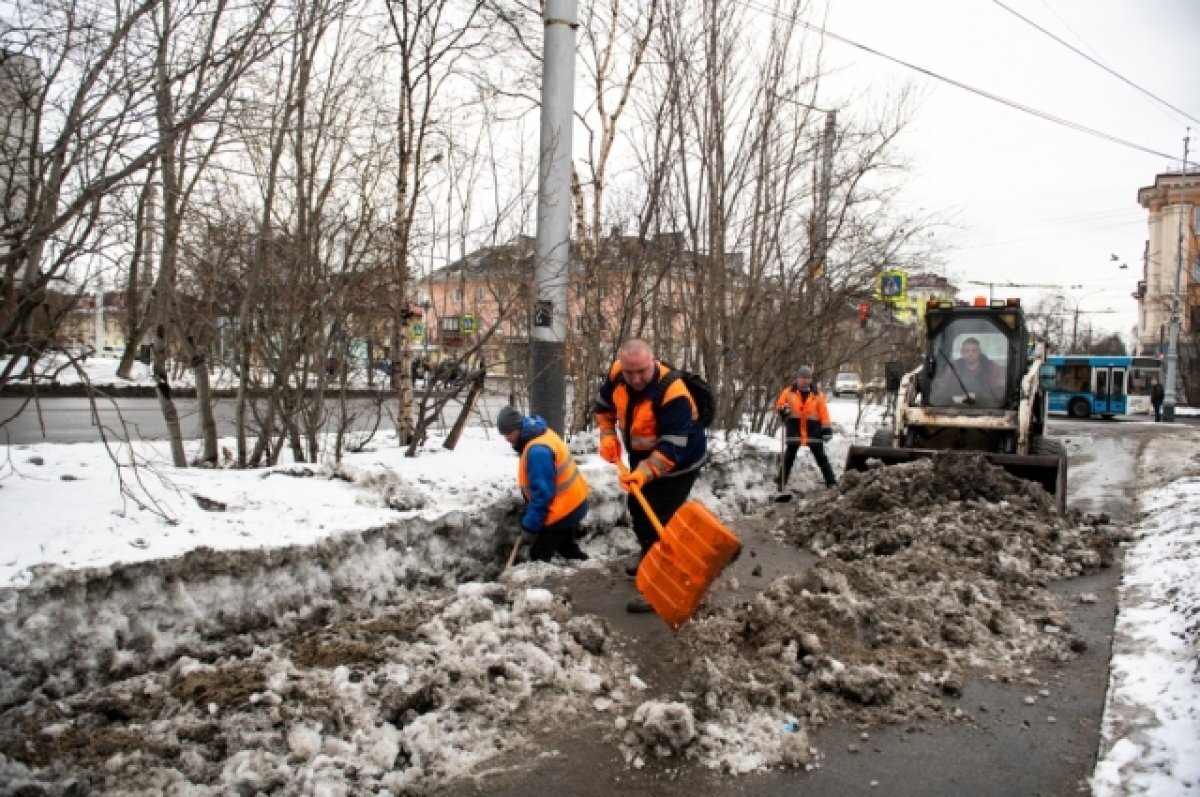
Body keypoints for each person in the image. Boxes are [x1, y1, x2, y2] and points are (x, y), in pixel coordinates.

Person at [594, 339, 707, 613]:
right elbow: (603, 408)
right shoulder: (616, 375)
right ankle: (649, 553)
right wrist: (608, 434)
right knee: (637, 507)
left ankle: (661, 584)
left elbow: (671, 449)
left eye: (641, 371)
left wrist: (643, 474)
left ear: (653, 361)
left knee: (658, 515)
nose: (635, 379)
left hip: (680, 461)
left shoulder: (673, 393)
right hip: (642, 456)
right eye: (629, 373)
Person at [496, 406, 590, 563]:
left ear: (519, 427)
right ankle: (584, 566)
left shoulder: (537, 451)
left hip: (564, 509)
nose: (507, 438)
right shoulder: (540, 433)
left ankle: (543, 584)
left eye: (509, 433)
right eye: (504, 434)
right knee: (565, 546)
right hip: (574, 501)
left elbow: (542, 494)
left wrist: (531, 524)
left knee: (538, 555)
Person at [773, 366, 837, 490]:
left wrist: (827, 429)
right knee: (788, 458)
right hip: (794, 430)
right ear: (798, 378)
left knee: (821, 458)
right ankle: (780, 485)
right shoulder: (788, 392)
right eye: (803, 378)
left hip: (813, 431)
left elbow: (824, 413)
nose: (805, 381)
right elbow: (779, 406)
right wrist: (782, 410)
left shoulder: (818, 395)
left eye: (808, 378)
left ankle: (832, 483)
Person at [931, 336, 1006, 406]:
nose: (970, 354)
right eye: (966, 351)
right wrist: (938, 385)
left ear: (979, 352)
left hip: (987, 408)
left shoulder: (991, 367)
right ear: (961, 352)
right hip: (957, 407)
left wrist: (1000, 384)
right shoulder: (953, 367)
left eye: (974, 351)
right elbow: (944, 385)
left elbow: (1003, 382)